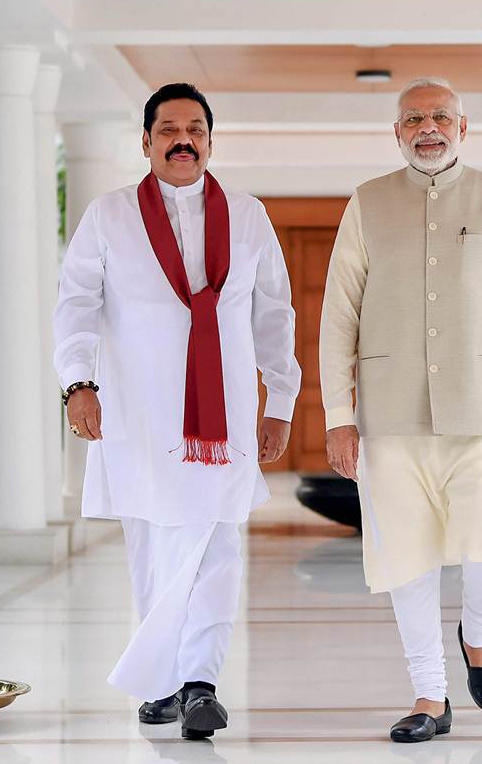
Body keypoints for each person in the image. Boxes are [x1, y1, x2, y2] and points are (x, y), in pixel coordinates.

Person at [53, 83, 301, 740]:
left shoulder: (246, 215)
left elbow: (274, 313)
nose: (183, 138)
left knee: (217, 541)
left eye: (195, 128)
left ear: (211, 142)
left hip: (223, 419)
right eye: (168, 129)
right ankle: (162, 682)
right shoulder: (108, 216)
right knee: (154, 547)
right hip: (136, 409)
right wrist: (77, 382)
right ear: (146, 141)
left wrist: (280, 399)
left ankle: (200, 683)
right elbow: (75, 301)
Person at [319, 77, 482, 743]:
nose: (428, 127)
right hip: (390, 418)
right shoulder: (366, 205)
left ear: (464, 127)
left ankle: (477, 635)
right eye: (413, 118)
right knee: (406, 556)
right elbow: (338, 313)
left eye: (440, 117)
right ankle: (430, 694)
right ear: (396, 132)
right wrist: (339, 414)